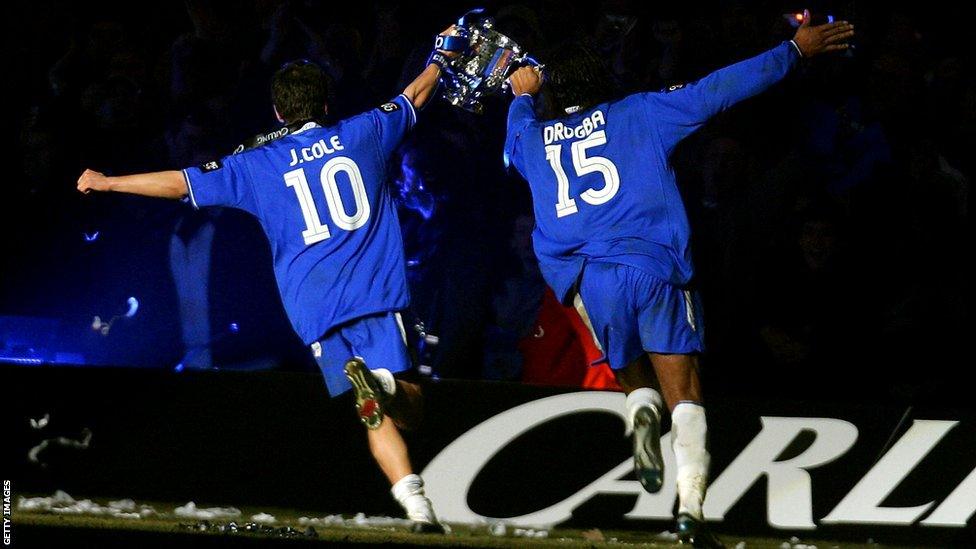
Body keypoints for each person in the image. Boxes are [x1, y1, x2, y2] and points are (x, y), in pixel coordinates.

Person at [503, 11, 853, 547]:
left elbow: (515, 140)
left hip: (592, 280)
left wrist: (522, 95)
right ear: (601, 82)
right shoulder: (640, 113)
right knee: (685, 394)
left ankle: (638, 408)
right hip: (653, 267)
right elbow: (718, 90)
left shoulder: (531, 141)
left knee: (628, 373)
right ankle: (690, 509)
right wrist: (794, 50)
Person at [77, 48, 449, 532]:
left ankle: (418, 509)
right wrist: (444, 55)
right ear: (326, 103)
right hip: (372, 293)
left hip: (312, 308)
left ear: (277, 112)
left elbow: (179, 183)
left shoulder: (256, 164)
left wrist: (108, 183)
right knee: (410, 406)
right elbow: (416, 93)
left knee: (373, 416)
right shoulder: (367, 131)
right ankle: (381, 384)